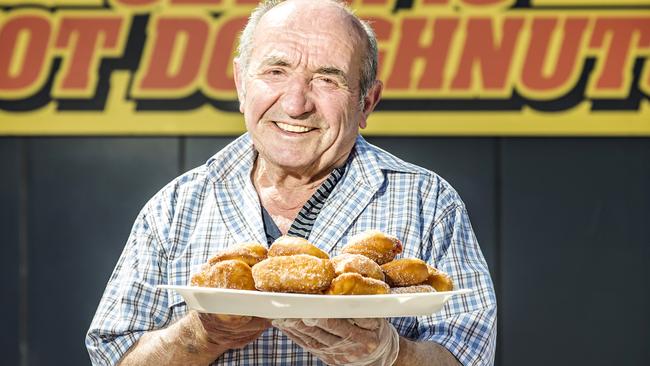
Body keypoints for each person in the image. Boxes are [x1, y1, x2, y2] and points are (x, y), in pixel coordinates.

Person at [85, 0, 497, 365]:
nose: (296, 103)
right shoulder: (174, 208)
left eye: (327, 78)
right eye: (276, 71)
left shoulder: (427, 202)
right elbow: (113, 357)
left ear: (366, 101)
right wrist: (200, 335)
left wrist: (391, 356)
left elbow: (470, 353)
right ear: (241, 85)